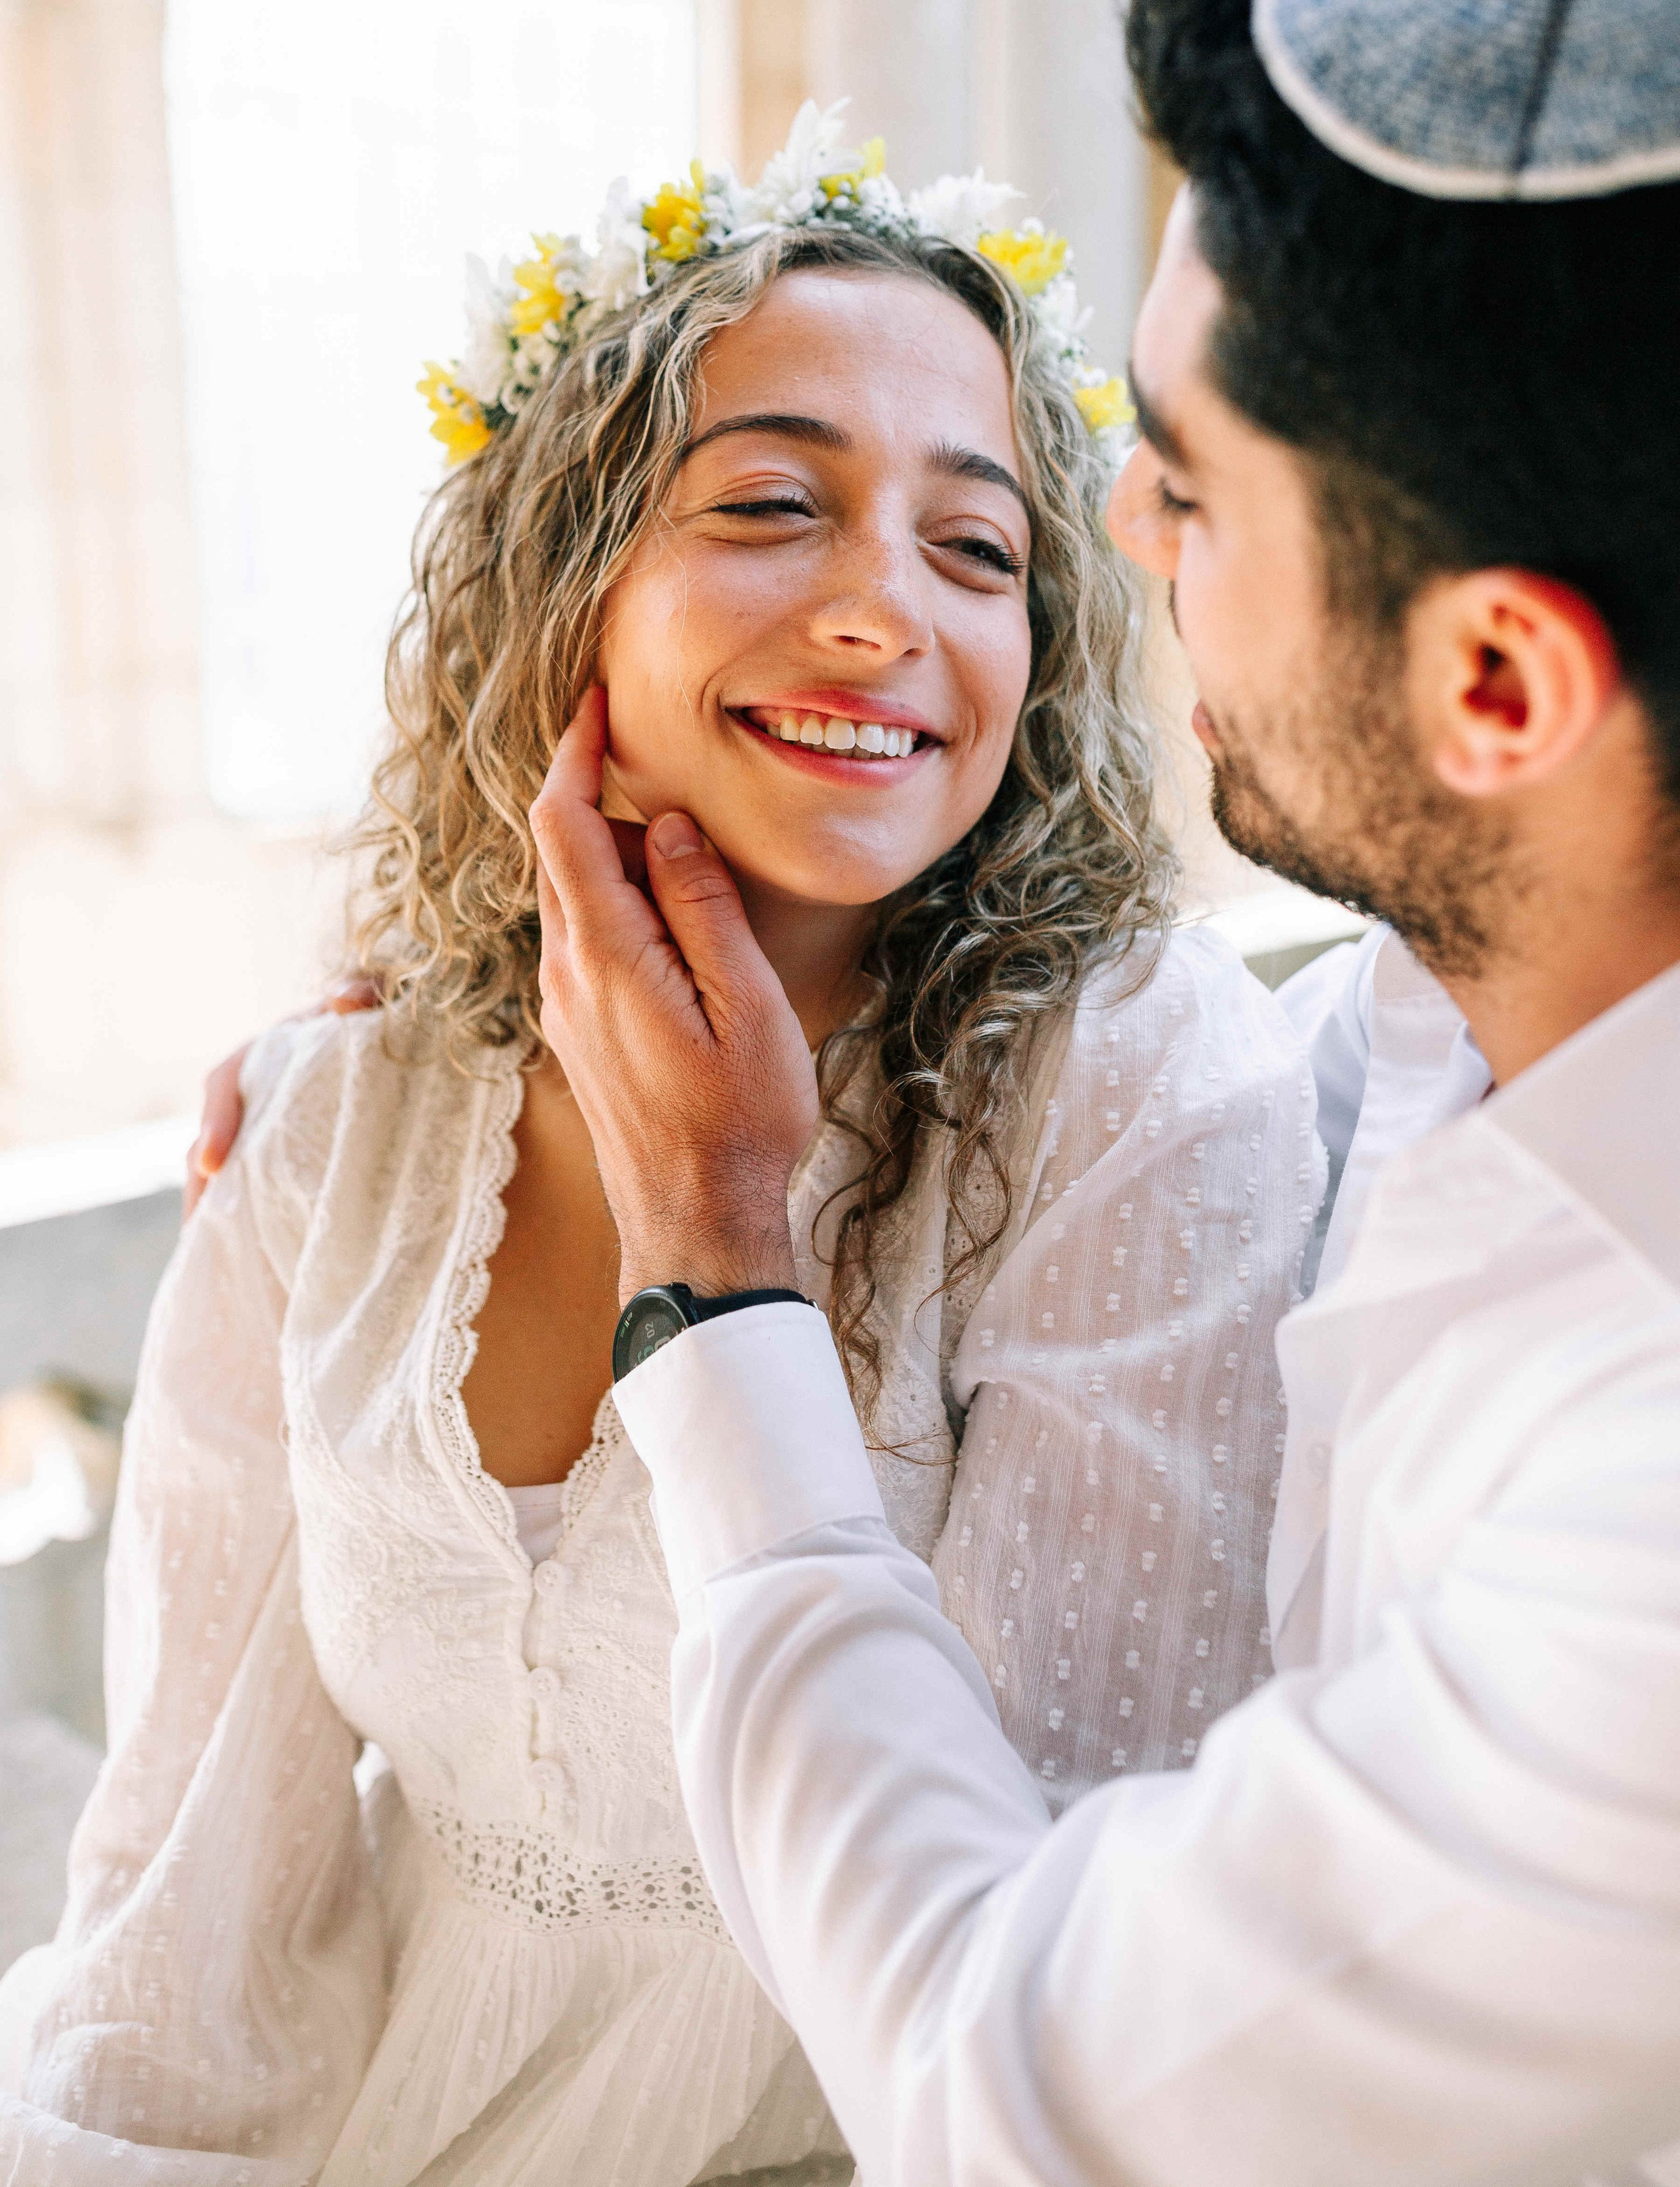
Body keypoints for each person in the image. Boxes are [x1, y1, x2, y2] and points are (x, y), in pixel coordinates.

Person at [0, 111, 1318, 2182]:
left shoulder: (1135, 1086)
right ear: (567, 587)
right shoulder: (345, 1126)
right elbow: (186, 1914)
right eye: (774, 505)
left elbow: (1077, 1952)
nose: (886, 612)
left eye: (980, 550)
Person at [522, 0, 1680, 2182]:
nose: (1113, 524)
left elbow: (1001, 2091)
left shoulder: (1641, 1558)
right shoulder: (1456, 1013)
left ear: (1498, 683)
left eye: (1194, 479)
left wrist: (716, 1278)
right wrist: (460, 995)